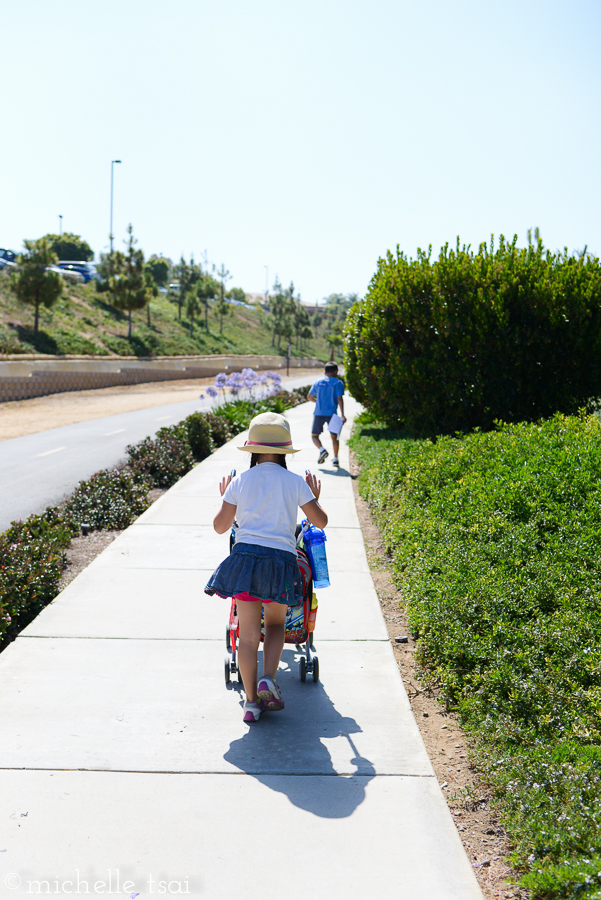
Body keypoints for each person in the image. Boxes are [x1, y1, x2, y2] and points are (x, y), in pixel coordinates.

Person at [205, 412, 327, 723]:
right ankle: (268, 680)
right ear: (285, 451)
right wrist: (314, 497)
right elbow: (320, 522)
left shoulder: (240, 481)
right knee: (274, 626)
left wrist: (225, 498)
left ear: (253, 449)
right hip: (280, 562)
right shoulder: (295, 482)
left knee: (247, 637)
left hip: (245, 561)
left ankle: (250, 703)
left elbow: (220, 527)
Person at [307, 362, 346, 467]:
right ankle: (336, 459)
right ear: (336, 371)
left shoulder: (318, 382)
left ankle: (322, 449)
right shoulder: (338, 383)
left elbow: (309, 397)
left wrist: (317, 401)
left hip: (319, 413)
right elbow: (339, 399)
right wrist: (343, 415)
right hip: (333, 414)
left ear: (324, 372)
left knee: (314, 436)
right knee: (334, 437)